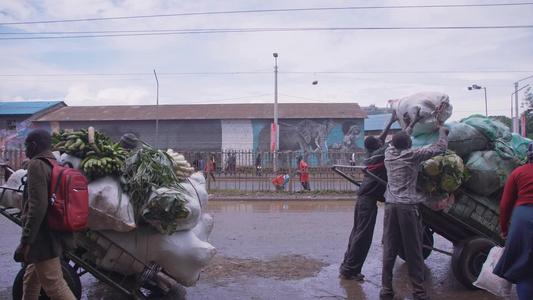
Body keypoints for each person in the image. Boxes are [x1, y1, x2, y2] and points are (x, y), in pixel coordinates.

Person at [380, 115, 449, 300]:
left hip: (391, 207)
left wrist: (411, 123)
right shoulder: (412, 155)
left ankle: (386, 290)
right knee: (414, 251)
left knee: (389, 250)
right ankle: (419, 292)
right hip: (408, 208)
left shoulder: (389, 153)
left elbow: (402, 138)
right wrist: (442, 132)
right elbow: (439, 148)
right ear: (409, 145)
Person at [14, 129, 77, 300]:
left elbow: (37, 206)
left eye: (26, 147)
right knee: (31, 280)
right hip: (54, 232)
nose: (25, 151)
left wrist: (26, 242)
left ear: (34, 146)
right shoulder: (54, 164)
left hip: (42, 237)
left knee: (55, 285)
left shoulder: (37, 165)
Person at [340, 111, 398, 280]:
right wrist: (412, 123)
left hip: (362, 201)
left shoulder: (371, 153)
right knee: (363, 237)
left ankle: (346, 266)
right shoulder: (380, 154)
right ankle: (351, 270)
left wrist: (391, 121)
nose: (382, 141)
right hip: (367, 203)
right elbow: (397, 141)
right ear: (377, 146)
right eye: (380, 142)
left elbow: (381, 138)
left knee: (356, 233)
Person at [493, 142, 533, 300]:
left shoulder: (518, 173)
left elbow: (505, 205)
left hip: (523, 221)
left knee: (525, 270)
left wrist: (504, 230)